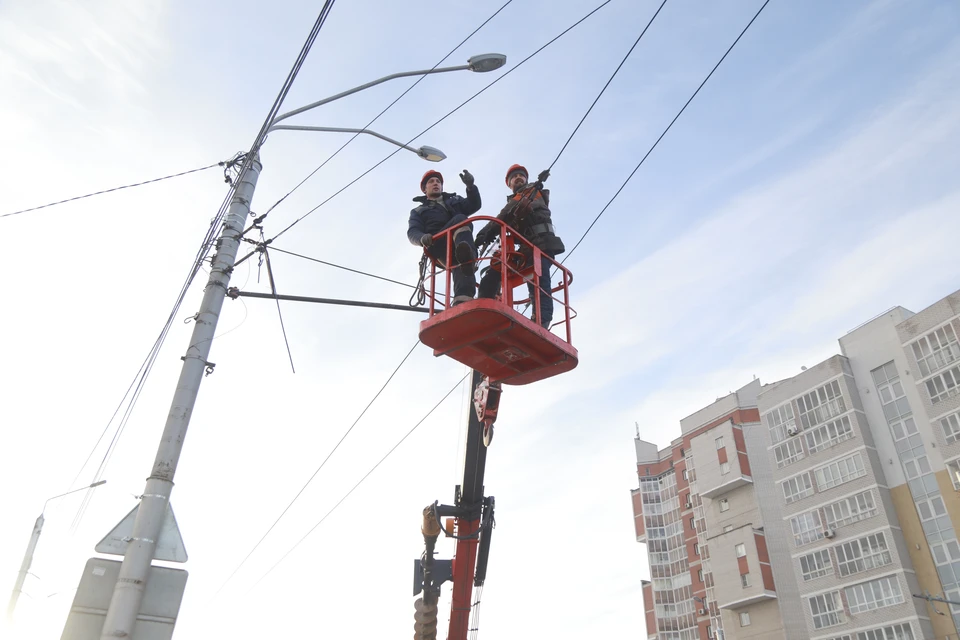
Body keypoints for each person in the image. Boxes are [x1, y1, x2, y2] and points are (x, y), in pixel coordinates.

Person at [475, 164, 565, 328]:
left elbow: (505, 214)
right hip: (526, 248)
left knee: (539, 281)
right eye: (514, 177)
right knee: (497, 267)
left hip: (542, 244)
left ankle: (542, 320)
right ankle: (485, 302)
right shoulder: (521, 198)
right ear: (509, 184)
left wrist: (485, 232)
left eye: (520, 176)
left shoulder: (532, 192)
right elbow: (509, 215)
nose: (518, 178)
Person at [407, 169, 481, 305]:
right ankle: (467, 255)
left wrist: (470, 187)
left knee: (462, 263)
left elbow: (474, 205)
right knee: (460, 219)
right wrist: (423, 238)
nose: (436, 184)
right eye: (431, 182)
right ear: (424, 189)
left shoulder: (454, 201)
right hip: (438, 243)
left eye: (438, 182)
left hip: (460, 244)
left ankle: (463, 300)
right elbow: (412, 232)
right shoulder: (418, 211)